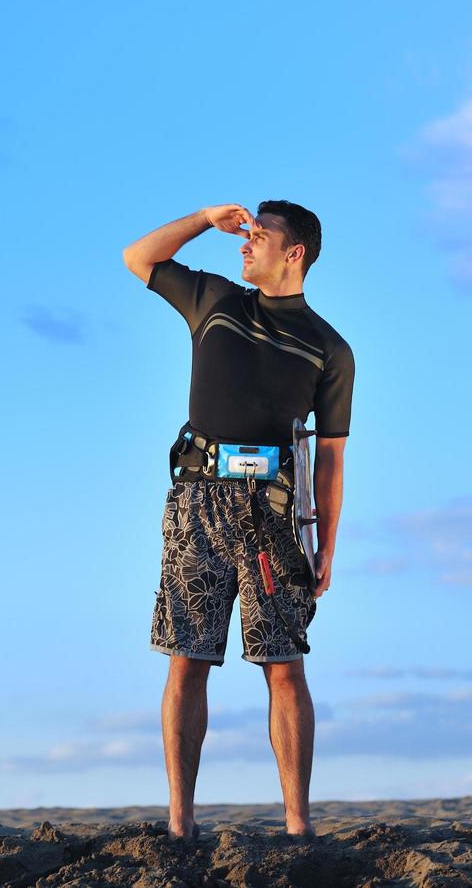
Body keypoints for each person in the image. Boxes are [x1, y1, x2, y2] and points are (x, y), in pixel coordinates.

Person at [122, 201, 354, 842]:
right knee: (186, 659)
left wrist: (327, 543)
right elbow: (138, 258)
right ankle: (180, 822)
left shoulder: (329, 348)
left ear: (295, 252)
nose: (246, 242)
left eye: (261, 235)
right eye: (246, 233)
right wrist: (201, 218)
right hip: (196, 500)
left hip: (272, 519)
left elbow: (331, 458)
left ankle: (298, 825)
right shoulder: (214, 300)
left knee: (285, 666)